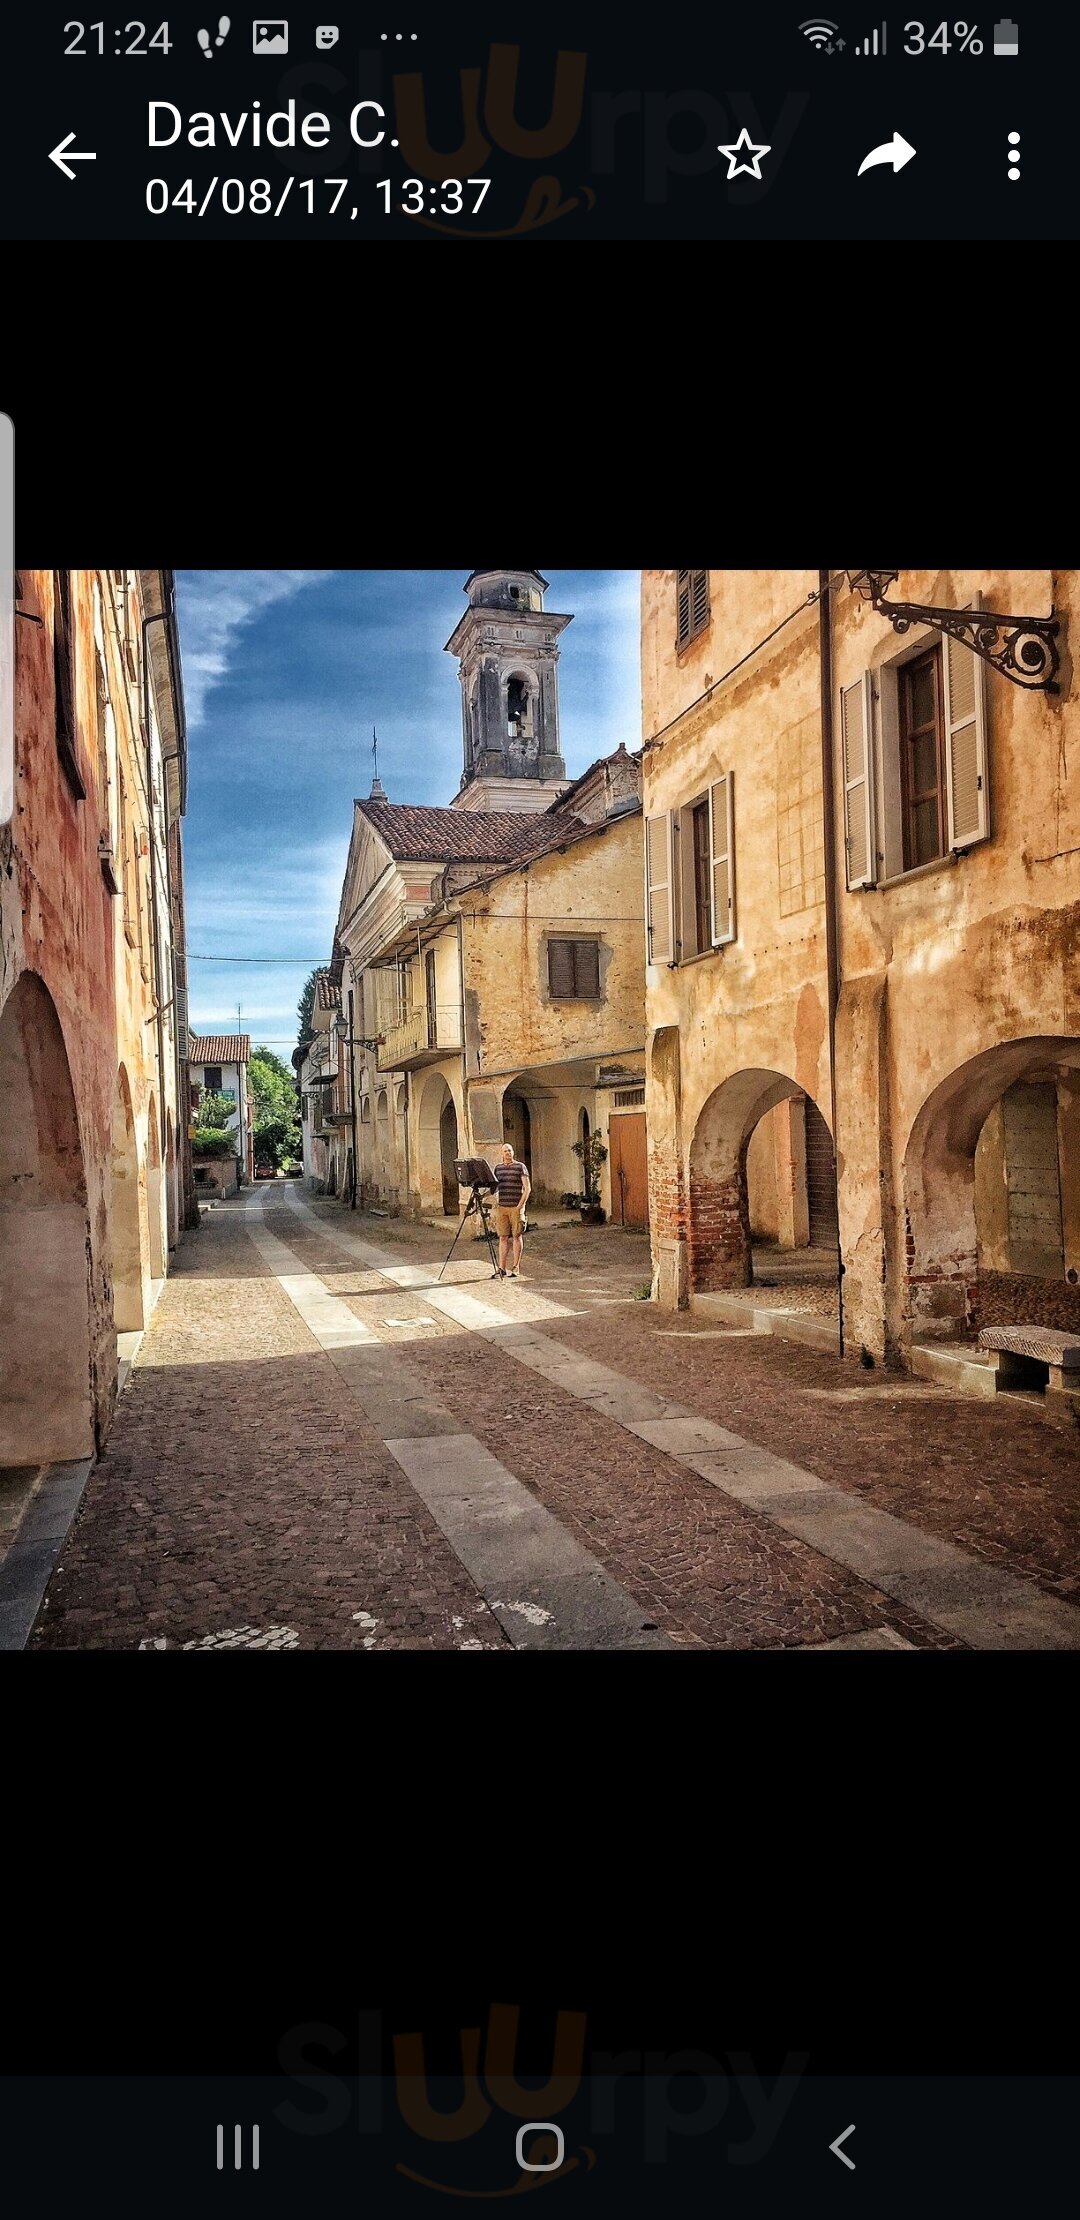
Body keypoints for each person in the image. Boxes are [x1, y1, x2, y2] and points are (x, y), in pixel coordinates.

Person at [493, 1142, 531, 1279]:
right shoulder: (498, 1169)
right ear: (501, 1154)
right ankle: (501, 1268)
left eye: (509, 1150)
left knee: (516, 1236)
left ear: (513, 1152)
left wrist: (520, 1205)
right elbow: (495, 1187)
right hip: (502, 1207)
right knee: (503, 1237)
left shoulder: (520, 1167)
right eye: (505, 1151)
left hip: (516, 1206)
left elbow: (527, 1188)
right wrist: (483, 1194)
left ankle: (516, 1267)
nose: (508, 1153)